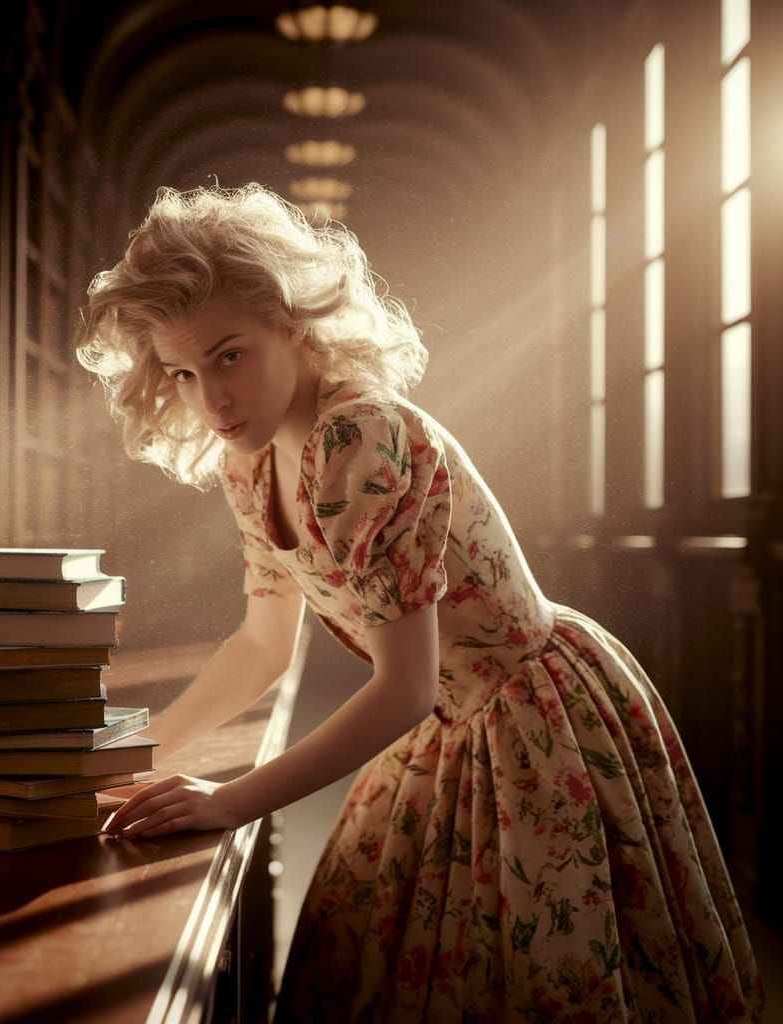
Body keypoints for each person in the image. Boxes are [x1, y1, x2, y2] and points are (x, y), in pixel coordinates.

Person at [76, 183, 763, 1023]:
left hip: (531, 716)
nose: (211, 400)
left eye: (230, 355)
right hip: (446, 724)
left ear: (292, 323)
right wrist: (132, 760)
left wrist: (227, 801)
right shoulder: (249, 464)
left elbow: (403, 686)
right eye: (183, 373)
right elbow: (261, 643)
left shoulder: (359, 436)